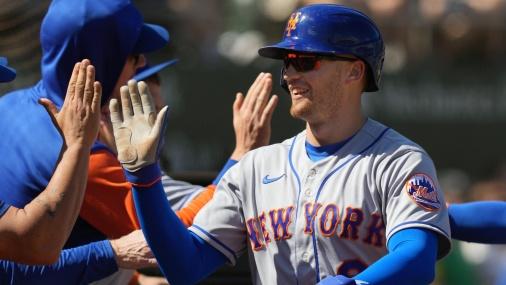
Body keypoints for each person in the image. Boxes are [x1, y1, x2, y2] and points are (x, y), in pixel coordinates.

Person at [117, 4, 452, 285]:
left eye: (305, 61)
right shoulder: (255, 167)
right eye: (286, 62)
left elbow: (418, 256)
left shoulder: (398, 160)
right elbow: (185, 267)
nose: (290, 74)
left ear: (354, 71)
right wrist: (144, 178)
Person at [0, 0, 167, 283]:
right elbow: (173, 237)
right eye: (132, 53)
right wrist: (240, 163)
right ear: (102, 61)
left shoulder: (9, 105)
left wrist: (132, 278)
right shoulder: (80, 152)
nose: (142, 63)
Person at [0, 59, 103, 264]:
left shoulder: (10, 104)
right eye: (133, 58)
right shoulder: (99, 162)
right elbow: (36, 245)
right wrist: (77, 144)